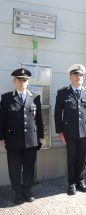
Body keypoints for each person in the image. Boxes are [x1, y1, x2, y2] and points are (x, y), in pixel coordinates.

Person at [0, 68, 44, 204]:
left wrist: (41, 135)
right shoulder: (7, 98)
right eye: (19, 79)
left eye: (25, 80)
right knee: (14, 169)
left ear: (28, 81)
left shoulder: (35, 97)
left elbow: (39, 119)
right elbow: (1, 119)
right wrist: (1, 138)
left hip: (31, 140)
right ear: (14, 81)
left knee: (29, 168)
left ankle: (27, 191)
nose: (22, 82)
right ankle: (18, 193)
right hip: (13, 141)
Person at [54, 64, 86, 195]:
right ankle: (71, 183)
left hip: (85, 131)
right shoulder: (62, 92)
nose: (79, 77)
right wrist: (60, 131)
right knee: (71, 158)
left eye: (81, 75)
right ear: (70, 77)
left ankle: (80, 181)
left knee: (82, 158)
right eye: (76, 74)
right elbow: (57, 113)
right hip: (69, 132)